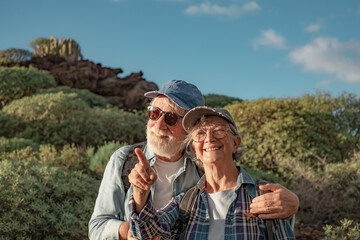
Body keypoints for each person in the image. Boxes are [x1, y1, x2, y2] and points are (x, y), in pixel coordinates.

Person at [89, 80, 299, 240]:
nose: (159, 125)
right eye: (154, 114)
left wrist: (293, 204)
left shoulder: (205, 173)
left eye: (171, 118)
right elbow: (108, 227)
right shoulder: (126, 160)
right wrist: (131, 222)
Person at [128, 106, 296, 239]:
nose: (209, 138)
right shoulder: (186, 202)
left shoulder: (264, 196)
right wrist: (140, 192)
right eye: (200, 133)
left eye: (219, 131)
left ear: (235, 143)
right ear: (194, 149)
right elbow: (147, 233)